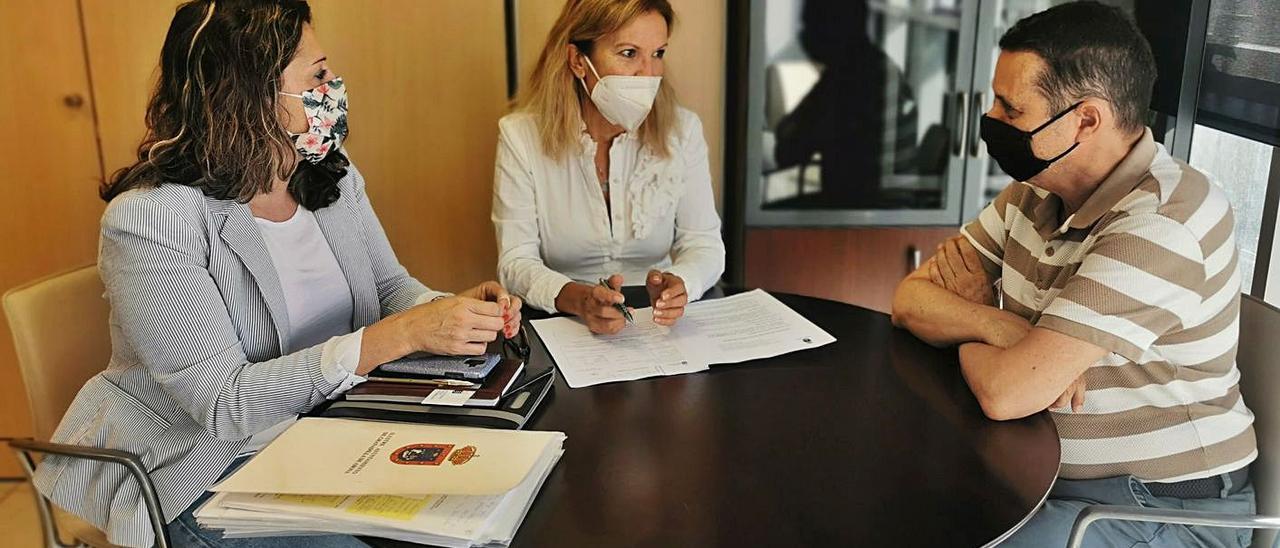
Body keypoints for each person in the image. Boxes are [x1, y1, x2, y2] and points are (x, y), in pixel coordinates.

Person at [31, 2, 521, 547]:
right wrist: (401, 335)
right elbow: (223, 405)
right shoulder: (151, 219)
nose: (333, 85)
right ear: (250, 94)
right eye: (316, 75)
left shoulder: (326, 173)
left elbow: (387, 289)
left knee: (490, 512)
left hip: (328, 429)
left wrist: (448, 311)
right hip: (202, 465)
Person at [890, 3, 1257, 546]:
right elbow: (909, 301)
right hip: (1032, 465)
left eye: (1010, 109)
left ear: (1085, 120)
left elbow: (1007, 393)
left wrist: (978, 319)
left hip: (1155, 502)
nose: (990, 119)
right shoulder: (1038, 190)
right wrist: (999, 328)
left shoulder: (1163, 220)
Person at [492, 0, 725, 335]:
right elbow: (516, 262)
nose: (648, 74)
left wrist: (681, 284)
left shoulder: (682, 131)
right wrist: (580, 300)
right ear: (578, 61)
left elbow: (704, 243)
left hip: (658, 325)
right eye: (629, 53)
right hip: (563, 323)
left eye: (657, 53)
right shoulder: (520, 137)